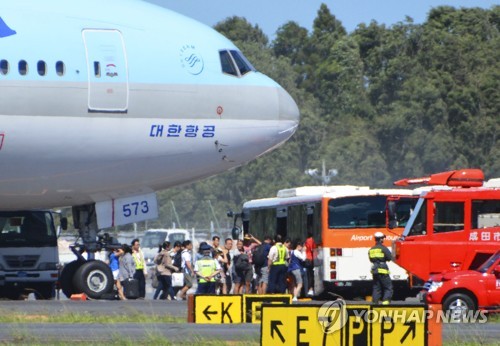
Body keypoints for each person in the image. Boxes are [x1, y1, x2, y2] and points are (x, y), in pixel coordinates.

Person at [368, 232, 393, 305]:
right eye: (383, 238)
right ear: (381, 239)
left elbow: (370, 259)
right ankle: (385, 303)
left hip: (375, 270)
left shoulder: (371, 249)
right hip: (383, 270)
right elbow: (389, 257)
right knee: (388, 287)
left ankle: (375, 303)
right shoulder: (383, 248)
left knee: (376, 288)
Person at [304, 231, 317, 296]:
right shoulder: (311, 240)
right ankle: (311, 289)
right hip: (310, 259)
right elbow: (313, 249)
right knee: (311, 275)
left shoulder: (306, 241)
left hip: (307, 259)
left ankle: (308, 289)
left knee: (308, 275)